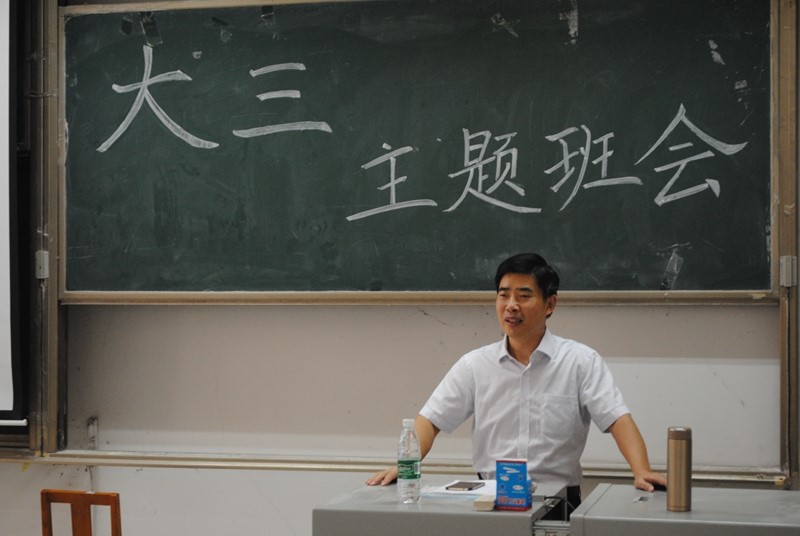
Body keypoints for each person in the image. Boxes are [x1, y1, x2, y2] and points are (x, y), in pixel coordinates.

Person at [366, 252, 666, 511]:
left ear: (550, 304)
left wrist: (641, 470)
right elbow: (430, 420)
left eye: (524, 296)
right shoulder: (475, 365)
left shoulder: (580, 361)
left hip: (557, 500)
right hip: (490, 498)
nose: (511, 305)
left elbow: (617, 419)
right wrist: (405, 466)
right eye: (503, 295)